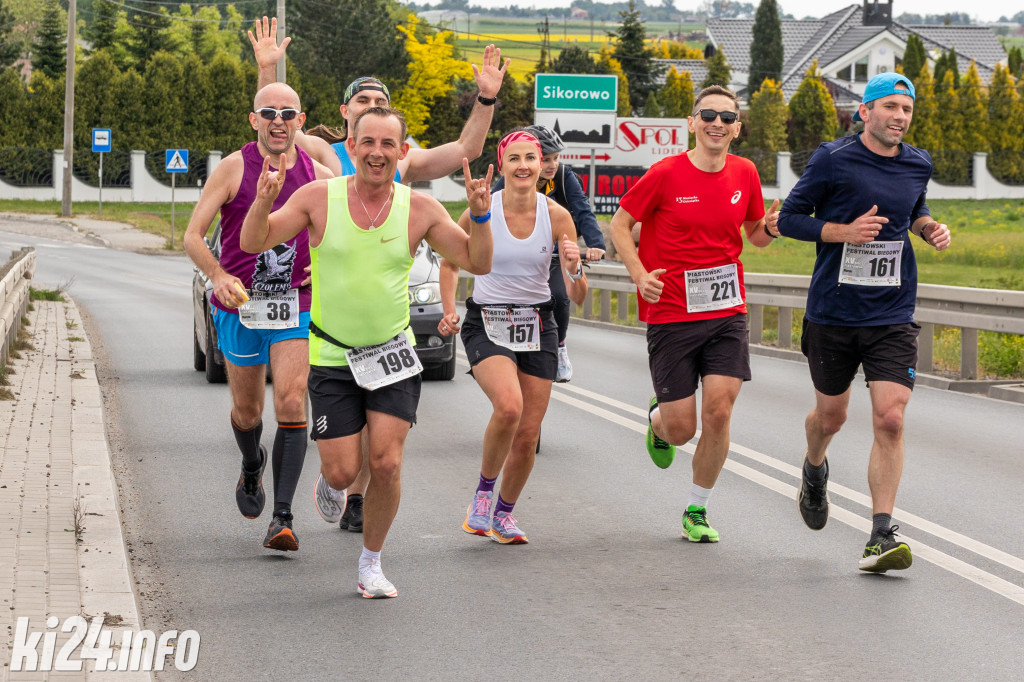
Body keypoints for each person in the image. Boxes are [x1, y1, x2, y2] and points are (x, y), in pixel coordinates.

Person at [249, 16, 509, 533]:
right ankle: (341, 479)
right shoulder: (326, 158)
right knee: (341, 455)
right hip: (329, 305)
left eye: (381, 102)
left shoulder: (402, 165)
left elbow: (464, 152)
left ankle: (364, 502)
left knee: (383, 439)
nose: (373, 111)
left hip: (386, 320)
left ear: (397, 137)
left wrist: (485, 100)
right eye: (362, 103)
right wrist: (267, 70)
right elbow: (276, 132)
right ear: (346, 116)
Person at [239, 106, 494, 598]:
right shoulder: (319, 197)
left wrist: (480, 214)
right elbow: (254, 241)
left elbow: (477, 260)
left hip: (393, 355)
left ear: (402, 153)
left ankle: (371, 563)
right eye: (367, 142)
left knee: (387, 463)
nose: (377, 153)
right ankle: (331, 482)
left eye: (388, 145)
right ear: (351, 146)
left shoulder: (420, 209)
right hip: (333, 356)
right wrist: (262, 201)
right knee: (341, 469)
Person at [772, 72, 951, 573]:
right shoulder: (833, 158)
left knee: (891, 418)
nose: (900, 117)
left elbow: (912, 209)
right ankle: (813, 468)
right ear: (865, 112)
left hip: (892, 312)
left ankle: (881, 533)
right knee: (831, 418)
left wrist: (928, 227)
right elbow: (789, 219)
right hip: (833, 312)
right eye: (890, 107)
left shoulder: (918, 163)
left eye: (907, 110)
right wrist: (842, 231)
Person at [609, 85, 777, 543]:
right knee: (682, 429)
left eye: (727, 117)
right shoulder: (665, 173)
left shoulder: (745, 172)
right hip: (671, 313)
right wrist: (639, 272)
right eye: (708, 115)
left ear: (737, 128)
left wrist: (773, 228)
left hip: (726, 310)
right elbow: (620, 224)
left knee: (719, 413)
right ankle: (658, 421)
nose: (717, 123)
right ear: (692, 122)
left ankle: (696, 510)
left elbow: (755, 235)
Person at [184, 82, 333, 552]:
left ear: (300, 122)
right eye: (268, 111)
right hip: (240, 305)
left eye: (288, 113)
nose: (278, 120)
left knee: (291, 402)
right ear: (254, 120)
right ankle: (252, 465)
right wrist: (217, 274)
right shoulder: (233, 168)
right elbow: (192, 235)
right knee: (248, 411)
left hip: (297, 302)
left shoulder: (319, 174)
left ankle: (283, 518)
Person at [439, 130, 588, 544]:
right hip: (488, 320)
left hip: (539, 324)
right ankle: (483, 496)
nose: (523, 165)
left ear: (542, 168)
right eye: (514, 158)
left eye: (531, 158)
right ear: (501, 166)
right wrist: (450, 308)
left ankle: (504, 514)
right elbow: (451, 264)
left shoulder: (557, 215)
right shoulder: (480, 208)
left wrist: (575, 268)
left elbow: (577, 293)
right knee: (508, 406)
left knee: (528, 432)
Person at [491, 124, 605, 382]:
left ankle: (560, 346)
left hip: (554, 252)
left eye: (556, 158)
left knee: (559, 295)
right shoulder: (509, 178)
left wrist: (596, 244)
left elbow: (583, 211)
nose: (552, 164)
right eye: (548, 159)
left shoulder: (564, 178)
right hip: (518, 253)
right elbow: (488, 213)